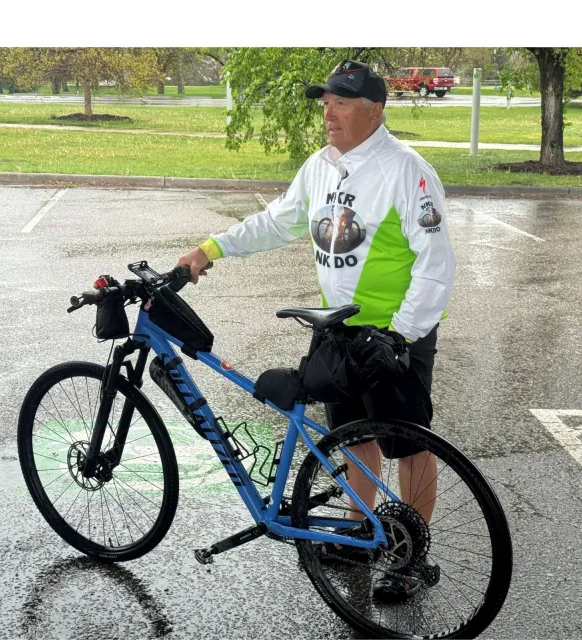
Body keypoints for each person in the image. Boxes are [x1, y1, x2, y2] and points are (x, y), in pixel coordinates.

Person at [177, 59, 456, 602]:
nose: (329, 113)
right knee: (352, 436)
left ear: (375, 110)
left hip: (395, 333)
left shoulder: (408, 170)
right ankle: (359, 535)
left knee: (407, 443)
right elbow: (276, 221)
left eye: (342, 103)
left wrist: (401, 333)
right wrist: (210, 249)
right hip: (340, 330)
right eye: (326, 103)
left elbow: (435, 262)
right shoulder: (320, 166)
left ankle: (410, 553)